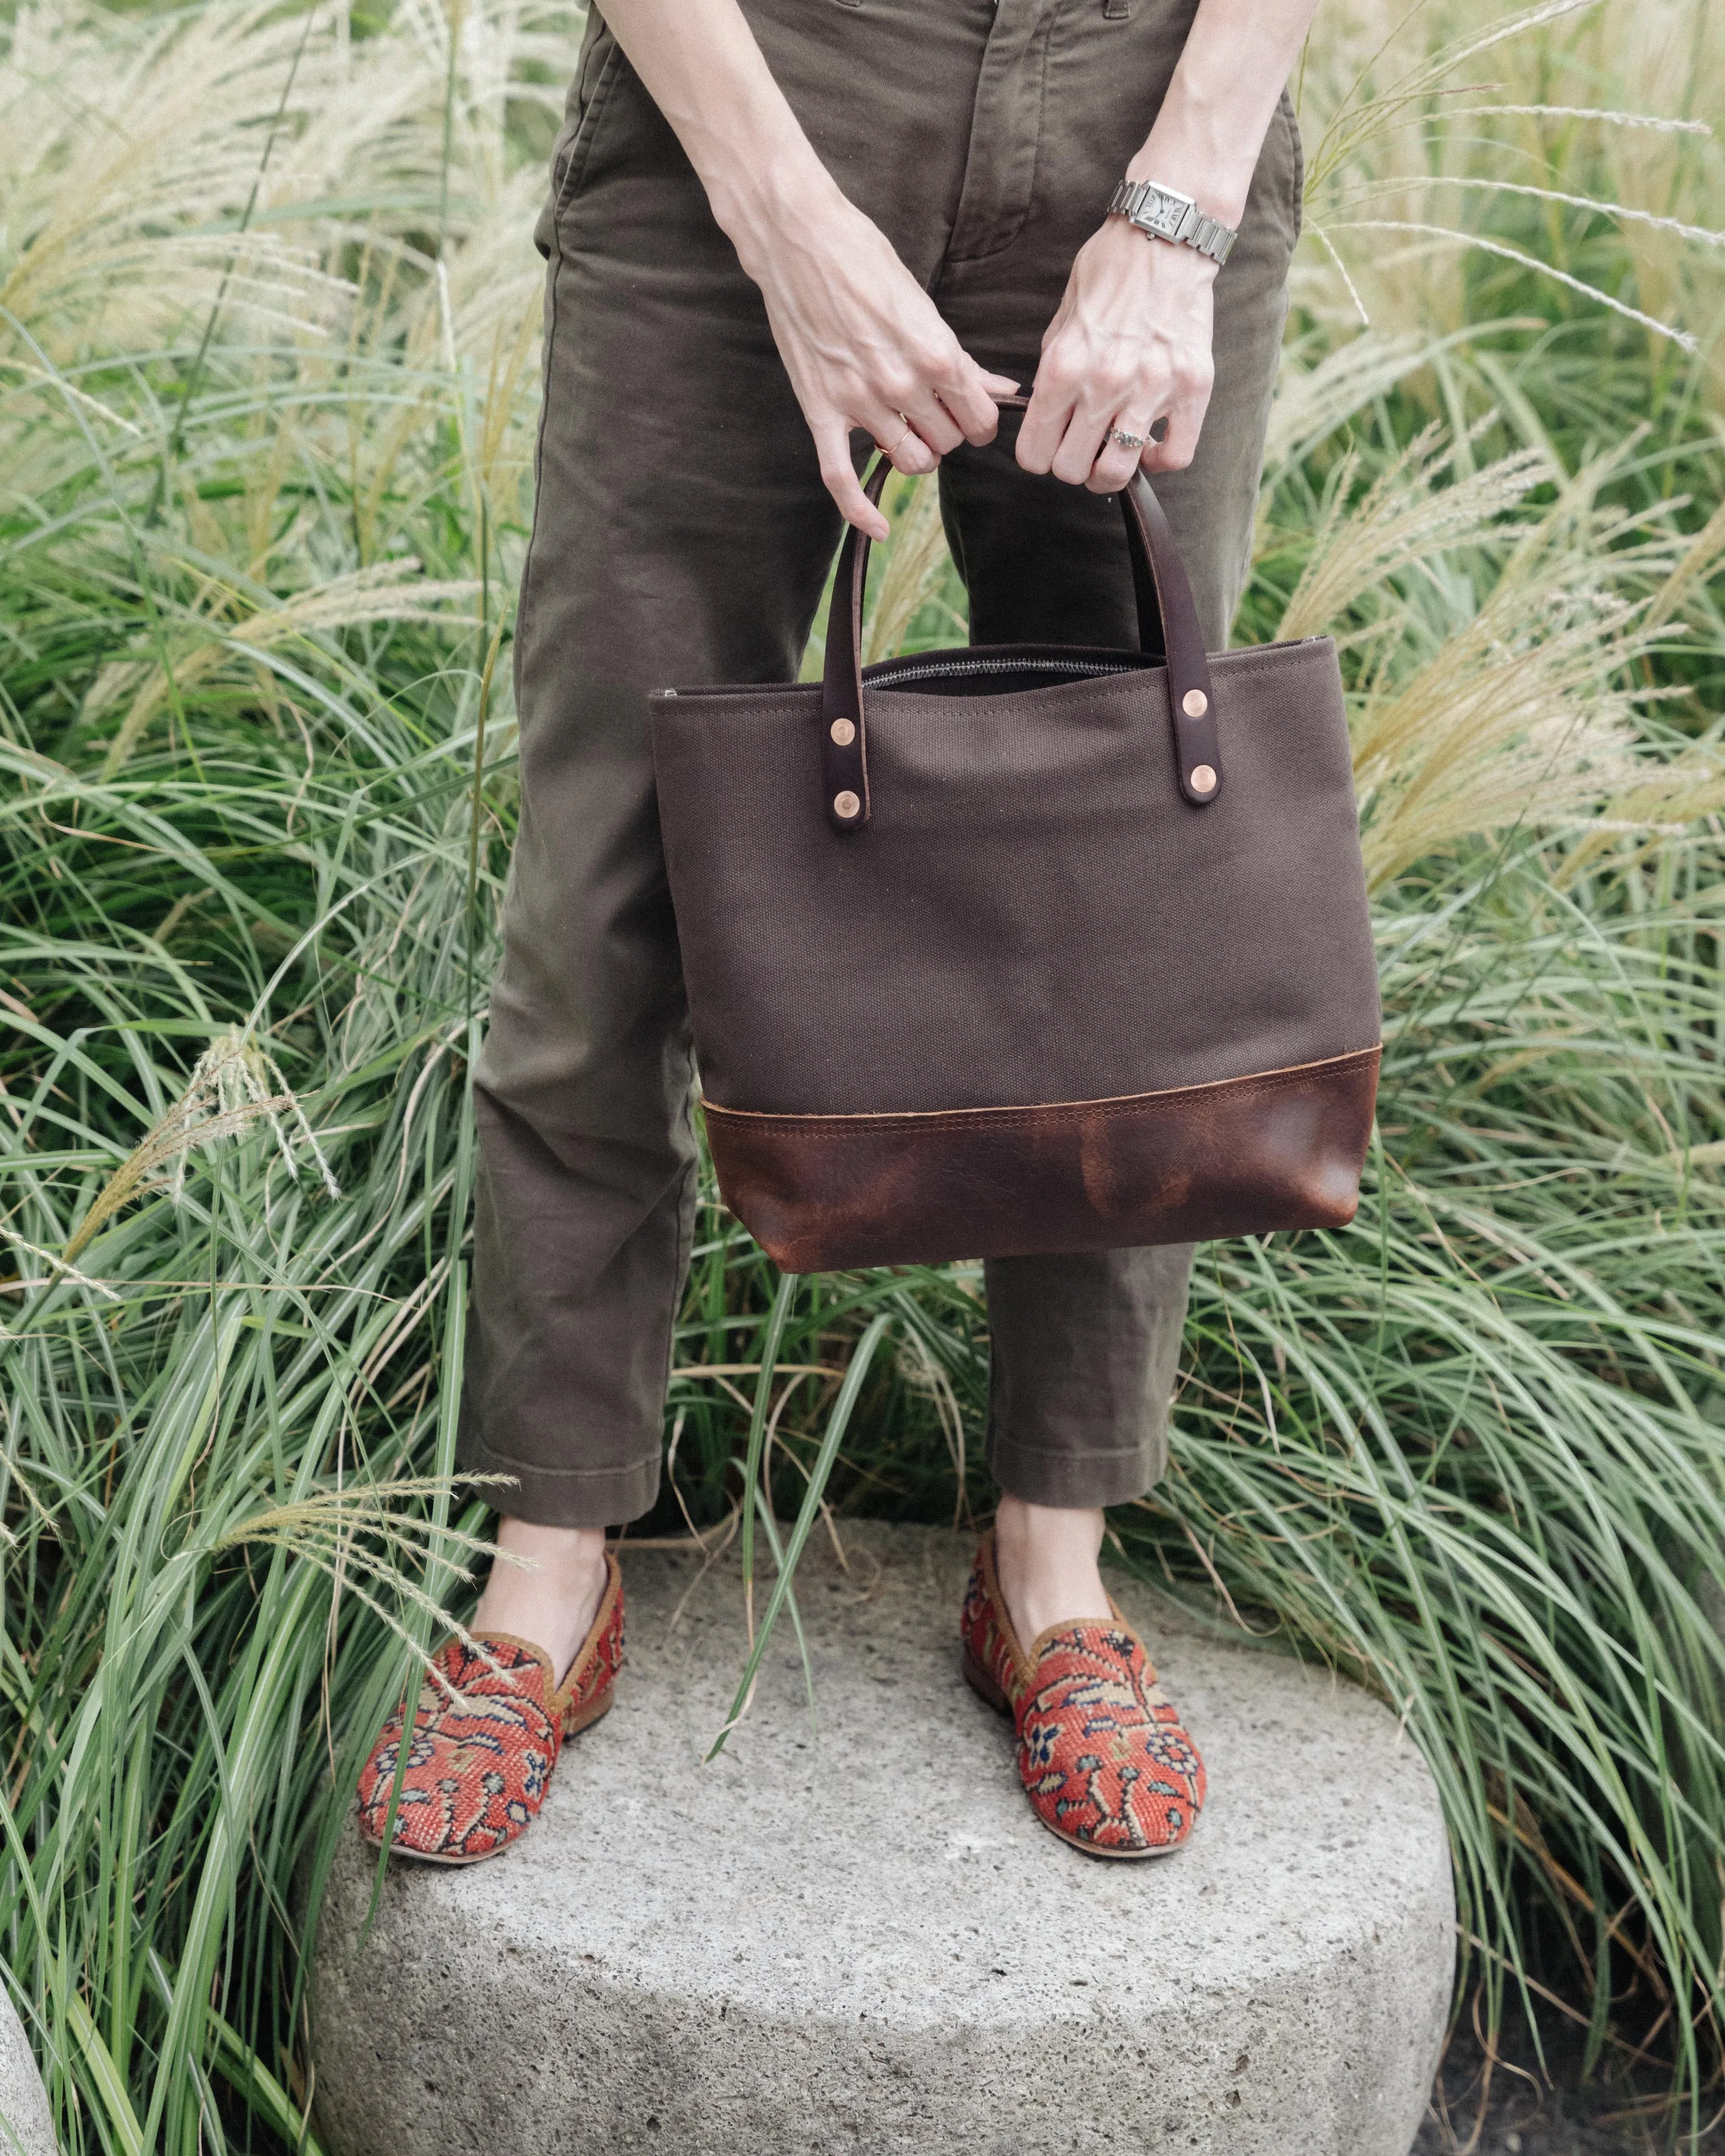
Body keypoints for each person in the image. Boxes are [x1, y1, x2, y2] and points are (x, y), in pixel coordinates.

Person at [357, 0, 1314, 1866]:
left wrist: (1182, 195)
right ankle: (545, 1565)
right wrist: (784, 217)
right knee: (610, 868)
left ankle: (1050, 1563)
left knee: (1114, 871)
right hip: (755, 75)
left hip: (1156, 91)